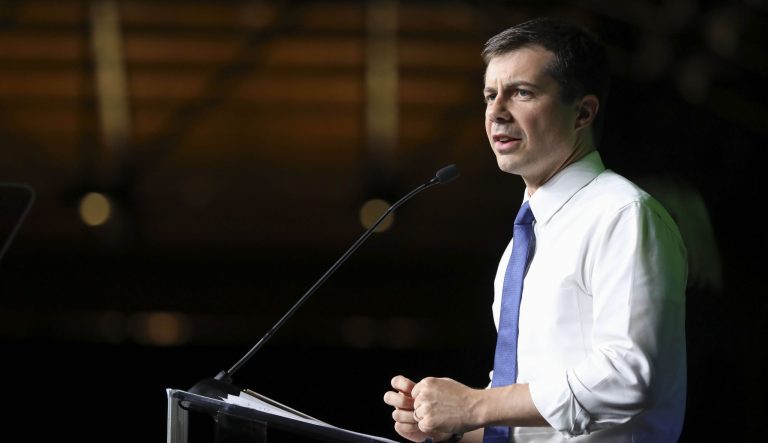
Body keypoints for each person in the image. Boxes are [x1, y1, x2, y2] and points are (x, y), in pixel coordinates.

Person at [383, 17, 687, 443]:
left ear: (583, 112)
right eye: (490, 95)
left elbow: (628, 377)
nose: (496, 111)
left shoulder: (623, 214)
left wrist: (473, 405)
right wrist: (447, 425)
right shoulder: (523, 243)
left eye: (521, 92)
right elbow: (530, 420)